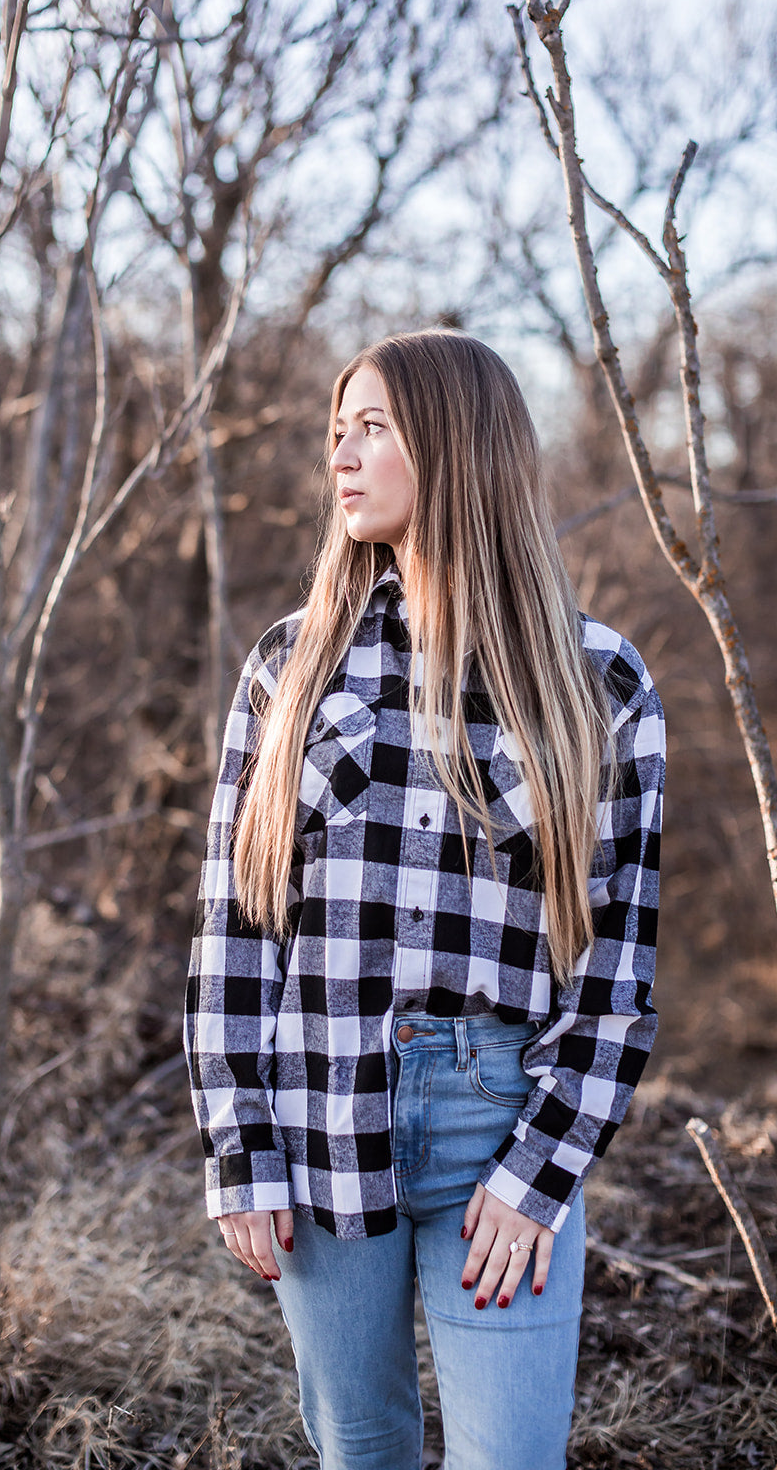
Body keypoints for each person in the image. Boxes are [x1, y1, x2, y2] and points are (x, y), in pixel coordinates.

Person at [185, 330, 665, 1470]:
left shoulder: (598, 681)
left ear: (454, 447)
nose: (339, 460)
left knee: (508, 1456)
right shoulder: (287, 664)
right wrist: (237, 1147)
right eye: (332, 434)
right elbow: (233, 933)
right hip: (316, 1112)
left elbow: (616, 966)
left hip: (493, 1117)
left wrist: (540, 1170)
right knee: (363, 1450)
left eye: (371, 430)